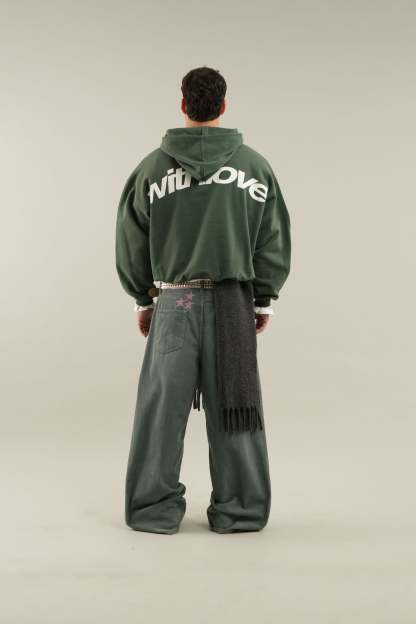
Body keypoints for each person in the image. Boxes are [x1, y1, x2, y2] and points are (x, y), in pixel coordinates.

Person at [115, 66, 291, 534]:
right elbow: (271, 238)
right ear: (224, 105)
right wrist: (263, 299)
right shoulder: (254, 168)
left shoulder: (152, 169)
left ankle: (152, 510)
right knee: (237, 410)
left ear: (182, 105)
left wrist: (142, 298)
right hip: (233, 304)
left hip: (175, 303)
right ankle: (241, 511)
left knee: (160, 412)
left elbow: (131, 239)